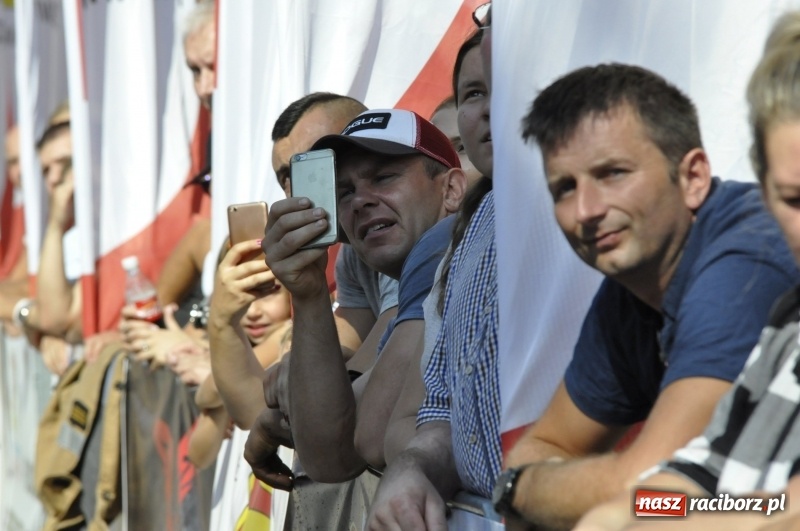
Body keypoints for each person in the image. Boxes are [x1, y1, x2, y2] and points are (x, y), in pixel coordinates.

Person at [494, 62, 799, 529]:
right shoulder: (635, 282)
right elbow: (558, 450)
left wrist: (521, 490)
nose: (586, 211)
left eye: (613, 173)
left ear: (694, 177)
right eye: (564, 188)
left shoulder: (749, 261)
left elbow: (649, 490)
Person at [574, 13, 800, 530]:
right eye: (795, 198)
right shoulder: (788, 331)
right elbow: (710, 486)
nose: (588, 208)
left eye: (613, 174)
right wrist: (627, 510)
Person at [257, 107, 465, 491]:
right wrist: (309, 292)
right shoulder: (395, 275)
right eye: (344, 192)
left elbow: (362, 442)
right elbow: (330, 456)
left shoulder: (450, 244)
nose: (360, 202)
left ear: (451, 190)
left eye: (384, 178)